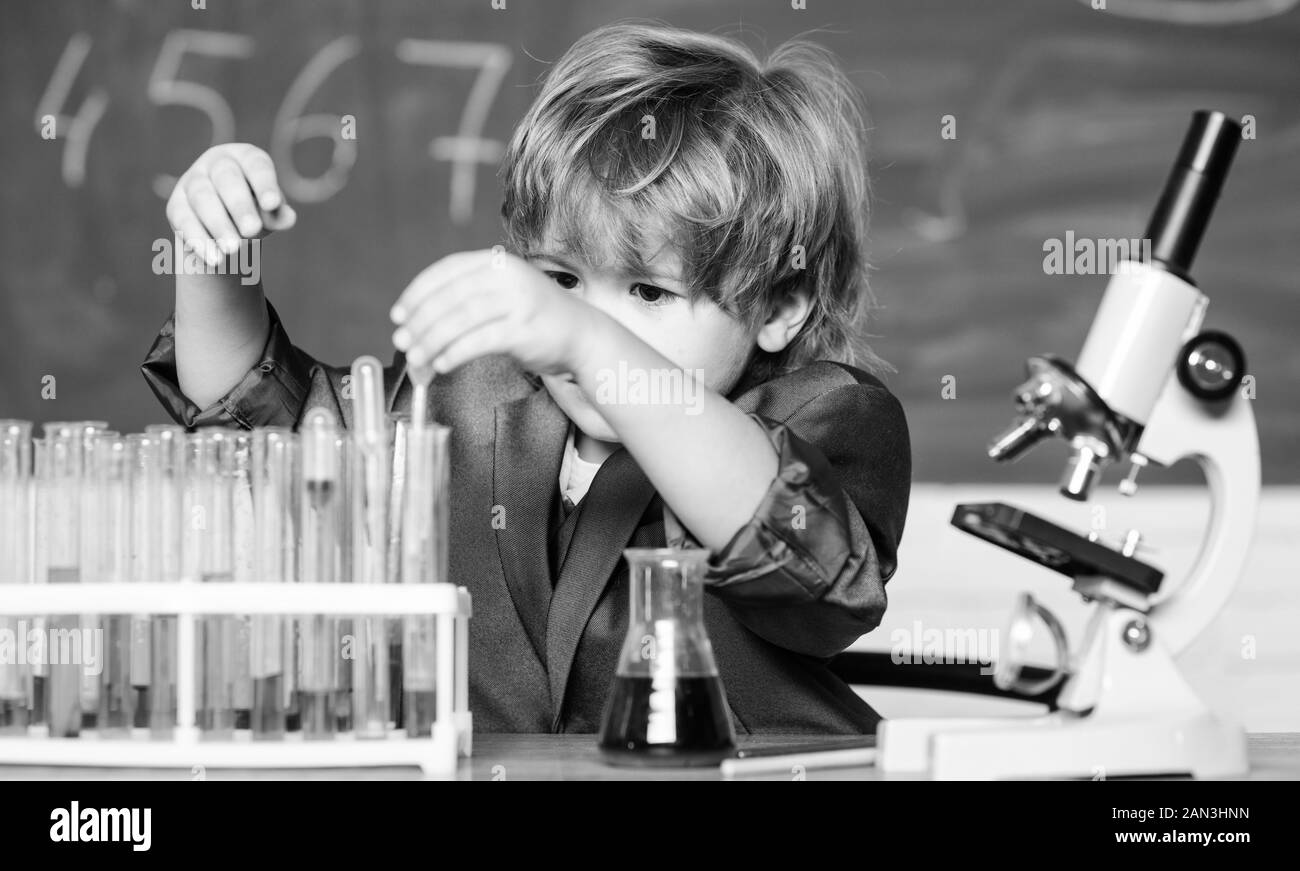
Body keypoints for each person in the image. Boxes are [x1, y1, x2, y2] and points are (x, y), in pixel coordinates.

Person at [142, 21, 911, 735]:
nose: (581, 321)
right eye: (561, 278)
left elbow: (810, 564)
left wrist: (585, 337)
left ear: (779, 305)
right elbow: (258, 424)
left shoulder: (825, 419)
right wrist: (215, 259)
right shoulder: (466, 400)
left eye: (648, 292)